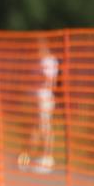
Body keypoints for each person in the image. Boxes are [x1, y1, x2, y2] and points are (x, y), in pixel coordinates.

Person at [19, 39, 59, 174]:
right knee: (32, 129)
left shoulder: (48, 61)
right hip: (34, 98)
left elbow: (48, 80)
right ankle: (27, 159)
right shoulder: (37, 60)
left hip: (44, 98)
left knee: (44, 128)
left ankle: (47, 159)